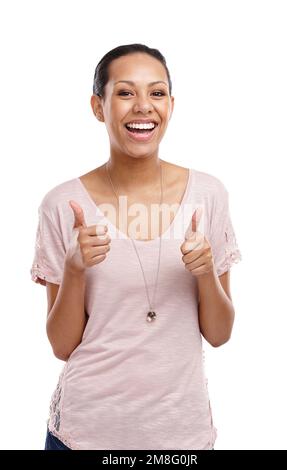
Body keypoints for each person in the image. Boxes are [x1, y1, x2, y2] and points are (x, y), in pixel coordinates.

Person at [30, 43, 242, 451]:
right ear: (98, 106)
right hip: (83, 434)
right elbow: (62, 346)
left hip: (182, 436)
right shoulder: (62, 205)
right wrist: (74, 269)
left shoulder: (208, 195)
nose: (143, 106)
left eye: (156, 93)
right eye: (125, 93)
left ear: (171, 105)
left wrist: (205, 273)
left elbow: (219, 333)